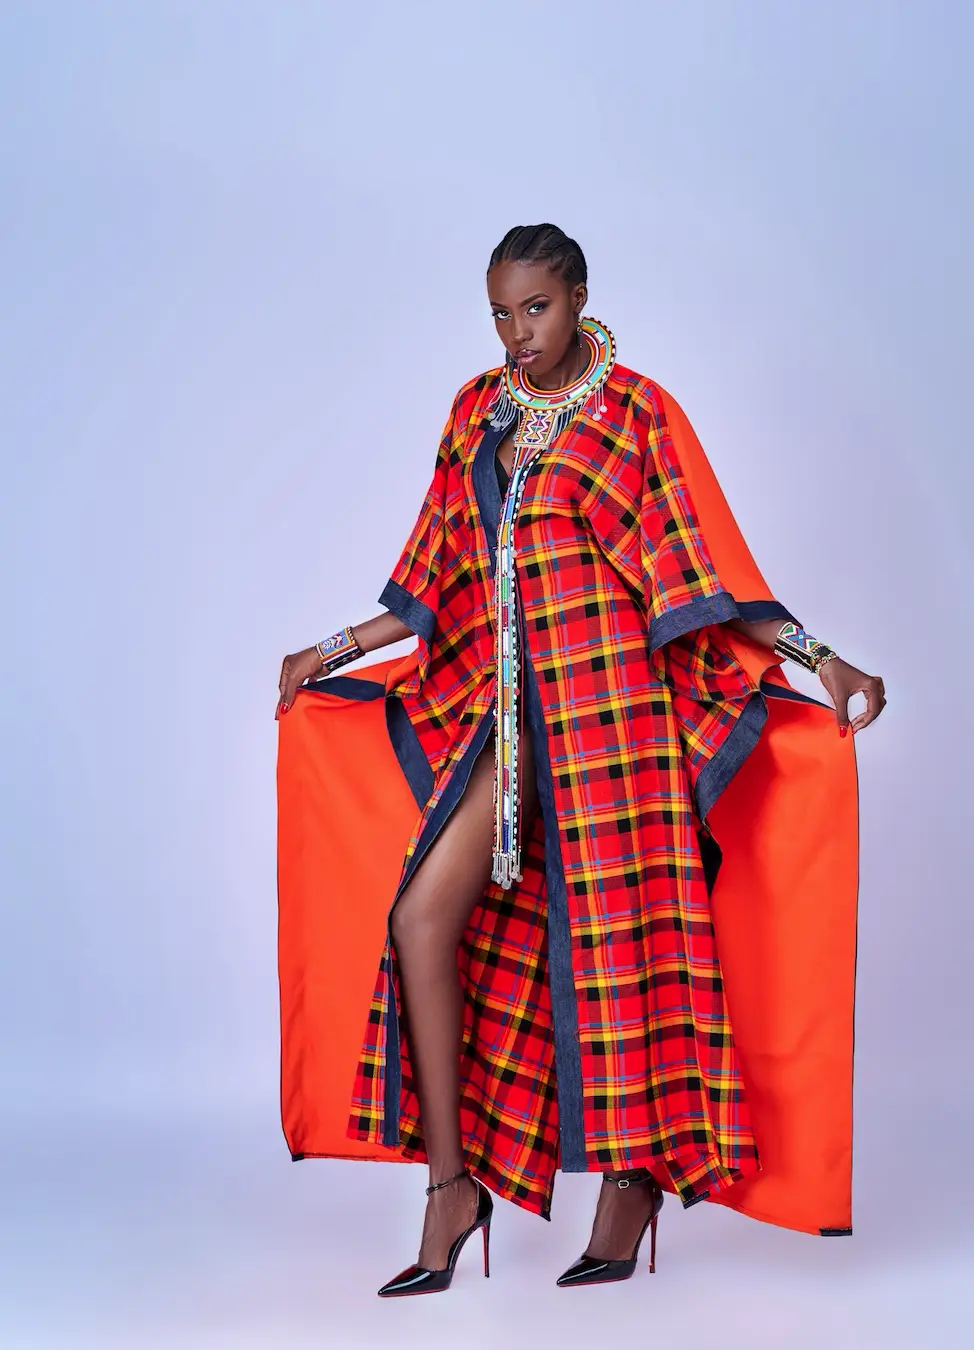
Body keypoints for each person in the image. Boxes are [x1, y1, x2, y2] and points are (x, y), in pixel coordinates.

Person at [275, 223, 885, 1297]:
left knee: (621, 961)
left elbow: (709, 573)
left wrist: (822, 658)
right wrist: (328, 650)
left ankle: (631, 1183)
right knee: (420, 919)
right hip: (508, 728)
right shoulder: (478, 410)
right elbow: (435, 565)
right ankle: (453, 1189)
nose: (518, 332)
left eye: (537, 308)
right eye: (501, 313)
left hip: (616, 732)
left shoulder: (635, 412)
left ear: (580, 297)